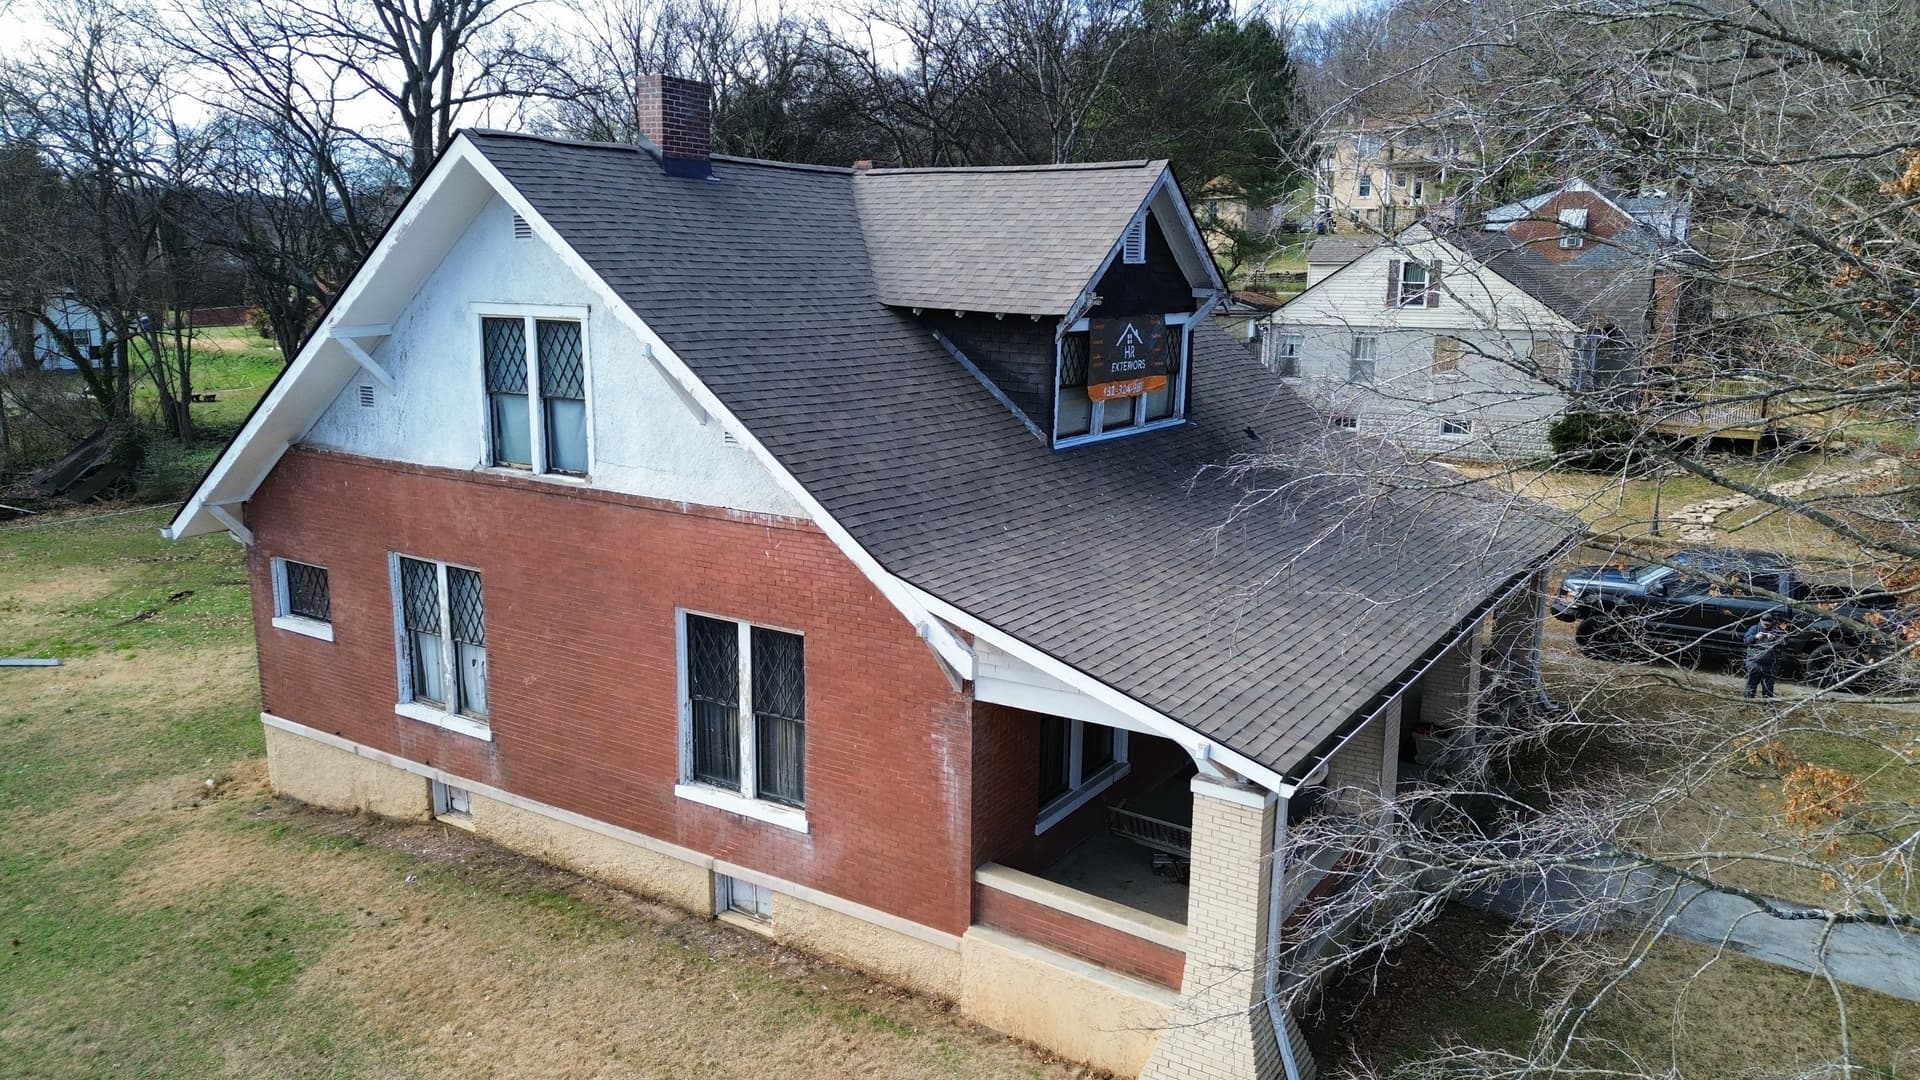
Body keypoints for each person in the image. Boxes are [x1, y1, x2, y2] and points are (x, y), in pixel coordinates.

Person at [1744, 613, 1785, 699]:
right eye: (1764, 624)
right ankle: (1747, 704)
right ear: (1760, 621)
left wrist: (1774, 639)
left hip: (1770, 665)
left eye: (1768, 624)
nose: (1766, 626)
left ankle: (1767, 707)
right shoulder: (1754, 629)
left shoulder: (1777, 630)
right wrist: (1755, 637)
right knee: (1750, 686)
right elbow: (1746, 640)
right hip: (1754, 663)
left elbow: (1785, 642)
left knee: (1768, 689)